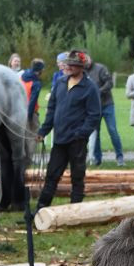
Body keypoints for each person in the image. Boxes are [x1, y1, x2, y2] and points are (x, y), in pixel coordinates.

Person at [35, 50, 100, 210]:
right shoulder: (60, 83)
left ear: (81, 67)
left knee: (77, 177)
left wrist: (80, 134)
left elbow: (94, 116)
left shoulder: (90, 88)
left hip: (77, 142)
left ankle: (75, 211)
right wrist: (43, 131)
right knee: (51, 176)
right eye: (68, 64)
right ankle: (40, 210)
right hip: (59, 140)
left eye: (73, 65)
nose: (69, 67)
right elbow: (51, 110)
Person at [86, 55, 124, 167]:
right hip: (93, 107)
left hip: (107, 104)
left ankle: (120, 156)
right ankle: (97, 158)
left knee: (112, 130)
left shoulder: (100, 68)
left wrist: (98, 91)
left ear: (90, 58)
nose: (86, 62)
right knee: (95, 133)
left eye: (87, 59)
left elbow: (109, 83)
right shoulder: (82, 72)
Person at [21, 58, 45, 128]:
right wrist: (29, 119)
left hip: (18, 109)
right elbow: (32, 101)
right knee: (34, 135)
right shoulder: (36, 83)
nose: (43, 70)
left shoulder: (23, 76)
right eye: (42, 68)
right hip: (30, 112)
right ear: (39, 70)